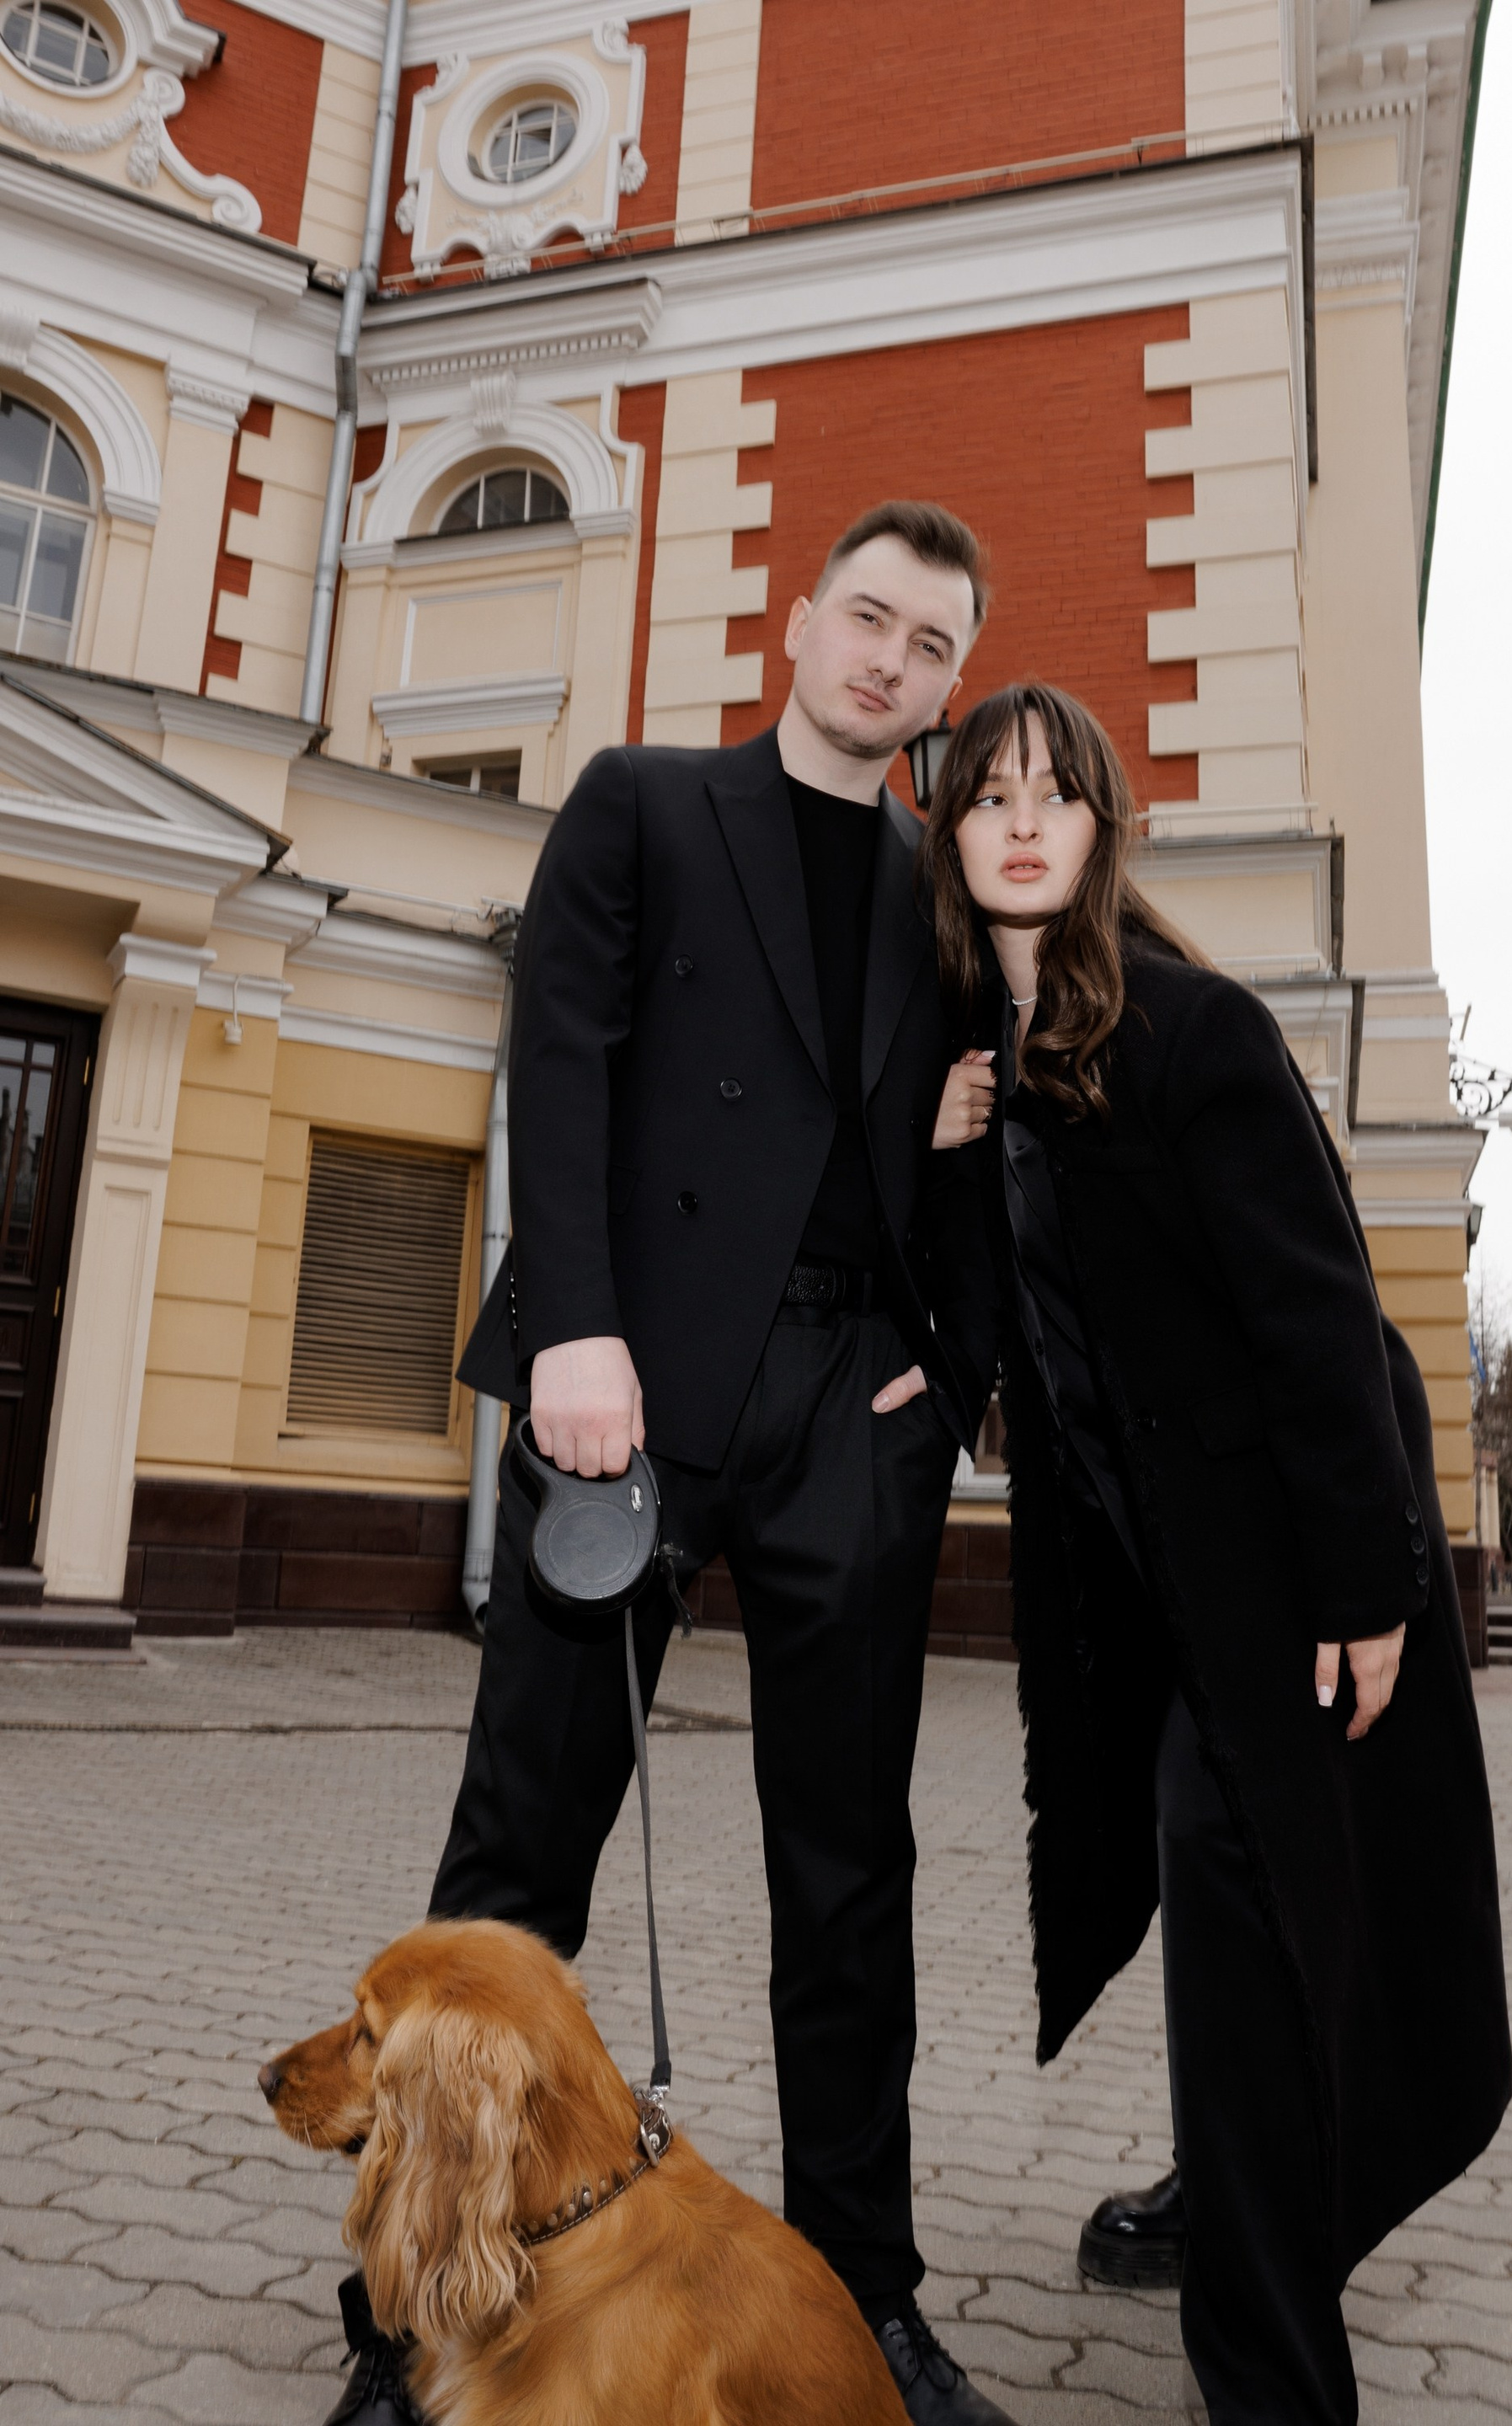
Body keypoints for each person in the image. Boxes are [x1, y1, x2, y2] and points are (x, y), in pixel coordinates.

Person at [322, 505, 1018, 2426]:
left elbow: (983, 1151)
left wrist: (949, 1384)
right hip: (619, 1389)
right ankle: (409, 2316)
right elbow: (557, 1054)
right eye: (867, 617)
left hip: (848, 1413)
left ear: (950, 685)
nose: (890, 661)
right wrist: (571, 1330)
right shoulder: (641, 802)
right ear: (798, 623)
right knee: (516, 1864)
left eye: (931, 647)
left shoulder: (947, 895)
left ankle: (867, 2302)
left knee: (849, 1880)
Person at [922, 682, 1512, 2424]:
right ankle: (1234, 2181)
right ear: (950, 842)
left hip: (1283, 1582)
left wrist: (1371, 1583)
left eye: (1056, 794)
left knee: (1262, 1894)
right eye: (988, 797)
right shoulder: (988, 1082)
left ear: (1102, 833)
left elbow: (1325, 1322)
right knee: (1217, 1900)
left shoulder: (1193, 1033)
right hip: (1144, 1597)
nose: (1022, 821)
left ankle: (1271, 2373)